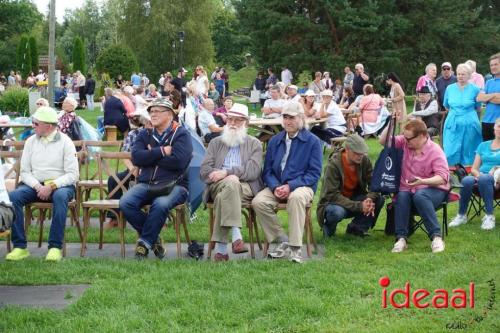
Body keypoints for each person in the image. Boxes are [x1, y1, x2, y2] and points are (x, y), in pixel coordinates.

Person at [119, 99, 193, 259]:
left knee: (160, 204)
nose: (152, 114)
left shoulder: (181, 134)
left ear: (169, 114)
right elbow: (137, 158)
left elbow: (179, 162)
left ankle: (145, 243)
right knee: (125, 203)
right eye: (151, 111)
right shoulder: (144, 134)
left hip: (175, 185)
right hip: (147, 183)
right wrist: (161, 152)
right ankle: (154, 238)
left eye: (157, 111)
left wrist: (150, 156)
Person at [252, 102, 322, 264]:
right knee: (258, 202)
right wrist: (276, 187)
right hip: (277, 185)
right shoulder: (275, 140)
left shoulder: (313, 142)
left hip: (302, 186)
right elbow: (267, 171)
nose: (288, 121)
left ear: (301, 118)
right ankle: (281, 239)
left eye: (292, 117)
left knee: (296, 198)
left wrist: (291, 186)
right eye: (285, 117)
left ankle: (295, 249)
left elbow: (314, 173)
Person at [6, 107, 78, 261]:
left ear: (49, 126)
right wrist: (38, 187)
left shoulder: (66, 142)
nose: (33, 126)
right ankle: (19, 247)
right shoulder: (31, 141)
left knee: (60, 197)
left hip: (61, 185)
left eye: (36, 123)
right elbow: (25, 171)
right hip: (35, 185)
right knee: (13, 197)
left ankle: (54, 247)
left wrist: (51, 186)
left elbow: (73, 174)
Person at [200, 103, 264, 261]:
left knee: (229, 190)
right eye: (230, 120)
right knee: (231, 183)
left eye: (238, 120)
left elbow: (253, 171)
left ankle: (221, 250)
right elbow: (204, 171)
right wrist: (224, 176)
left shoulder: (255, 144)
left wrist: (227, 172)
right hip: (217, 185)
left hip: (246, 187)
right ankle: (236, 236)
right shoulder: (216, 143)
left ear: (246, 123)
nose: (233, 124)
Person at [380, 119, 449, 253]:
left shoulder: (435, 151)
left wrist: (423, 181)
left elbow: (442, 178)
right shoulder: (405, 143)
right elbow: (383, 142)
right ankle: (401, 239)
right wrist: (391, 122)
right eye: (404, 137)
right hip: (408, 189)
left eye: (409, 138)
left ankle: (436, 237)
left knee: (420, 195)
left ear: (422, 136)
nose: (405, 140)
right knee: (402, 195)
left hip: (433, 190)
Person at [317, 134, 384, 237]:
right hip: (334, 202)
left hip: (353, 198)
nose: (360, 156)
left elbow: (374, 184)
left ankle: (357, 228)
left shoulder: (364, 160)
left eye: (362, 153)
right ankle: (329, 227)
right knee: (336, 212)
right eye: (357, 153)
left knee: (378, 199)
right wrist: (359, 206)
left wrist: (369, 199)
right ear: (347, 149)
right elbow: (332, 195)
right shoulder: (333, 165)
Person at [449, 118, 500, 230]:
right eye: (499, 126)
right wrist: (479, 176)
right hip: (482, 177)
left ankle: (489, 216)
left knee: (485, 178)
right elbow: (474, 169)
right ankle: (461, 215)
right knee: (467, 180)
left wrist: (495, 170)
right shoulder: (483, 145)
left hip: (498, 179)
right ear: (494, 128)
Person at [104, 110, 151, 229]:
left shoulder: (162, 135)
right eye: (148, 121)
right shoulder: (134, 134)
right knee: (113, 180)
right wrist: (132, 170)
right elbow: (124, 155)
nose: (151, 124)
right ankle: (115, 218)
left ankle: (158, 218)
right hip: (133, 169)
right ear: (144, 122)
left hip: (153, 172)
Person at [443, 63, 482, 165]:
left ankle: (468, 170)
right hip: (453, 122)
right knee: (450, 148)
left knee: (468, 149)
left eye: (463, 74)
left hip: (470, 123)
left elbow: (478, 107)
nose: (460, 76)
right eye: (459, 74)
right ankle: (450, 170)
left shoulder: (475, 89)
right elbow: (446, 105)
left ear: (469, 75)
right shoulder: (450, 88)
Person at [477, 53, 500, 141]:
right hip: (486, 122)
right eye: (491, 65)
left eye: (496, 64)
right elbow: (479, 98)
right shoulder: (489, 82)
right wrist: (494, 95)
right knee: (486, 151)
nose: (493, 67)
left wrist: (487, 98)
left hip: (499, 123)